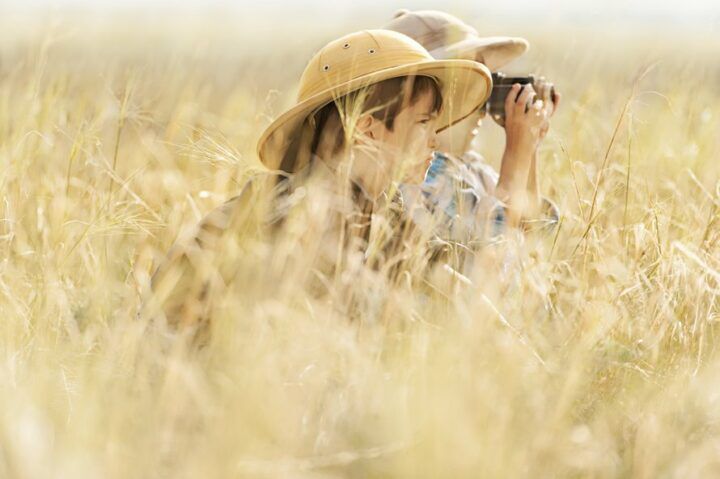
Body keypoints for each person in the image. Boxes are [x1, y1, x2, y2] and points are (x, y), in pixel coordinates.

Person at [142, 29, 494, 344]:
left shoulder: (384, 211)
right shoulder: (290, 216)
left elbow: (460, 297)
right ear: (366, 129)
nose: (435, 139)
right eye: (422, 122)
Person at [384, 10, 561, 236]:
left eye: (486, 81)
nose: (481, 99)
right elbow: (495, 245)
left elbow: (533, 232)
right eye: (467, 83)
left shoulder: (471, 166)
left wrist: (529, 143)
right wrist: (517, 154)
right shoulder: (419, 175)